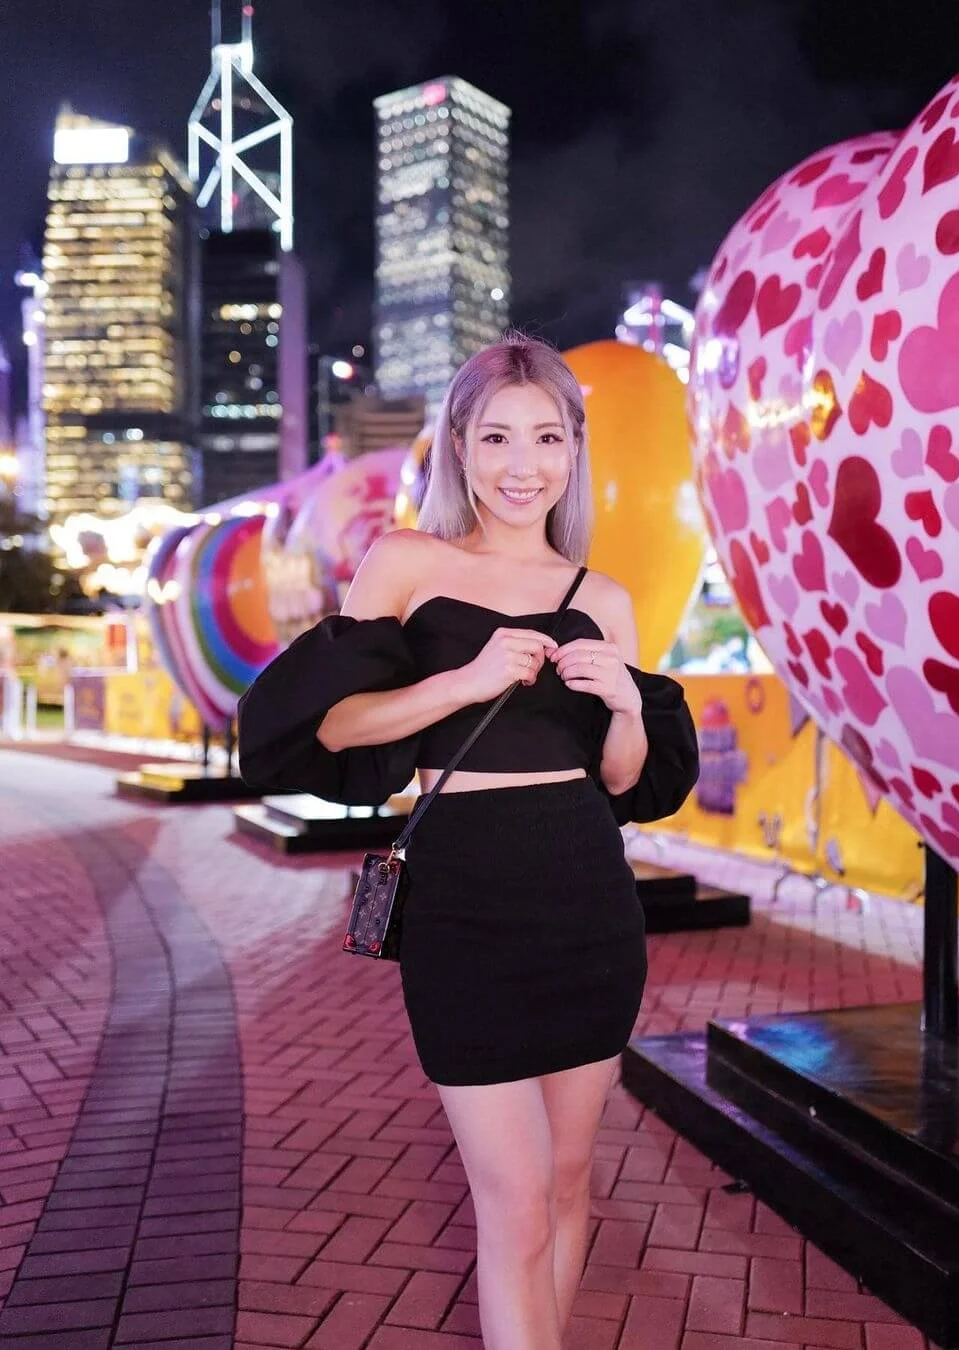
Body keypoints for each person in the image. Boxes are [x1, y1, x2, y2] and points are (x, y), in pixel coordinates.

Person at [237, 333, 698, 1349]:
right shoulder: (407, 562)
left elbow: (625, 784)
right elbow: (330, 729)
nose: (522, 464)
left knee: (569, 1182)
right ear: (458, 444)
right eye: (496, 437)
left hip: (588, 900)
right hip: (465, 906)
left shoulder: (602, 599)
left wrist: (628, 707)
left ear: (575, 449)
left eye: (547, 437)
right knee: (517, 1202)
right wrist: (461, 682)